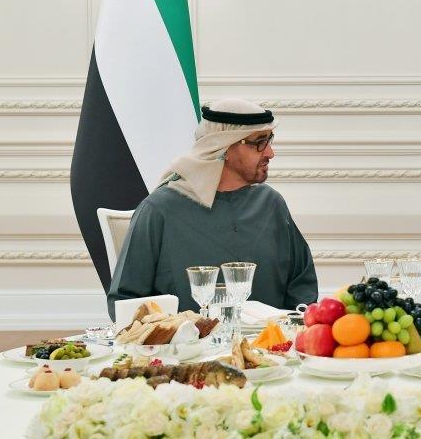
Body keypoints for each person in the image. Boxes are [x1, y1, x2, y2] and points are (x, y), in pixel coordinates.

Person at [107, 99, 318, 318]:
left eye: (269, 140)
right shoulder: (159, 209)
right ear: (223, 147)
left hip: (270, 339)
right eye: (259, 142)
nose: (270, 153)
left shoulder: (271, 204)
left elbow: (302, 287)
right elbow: (125, 301)